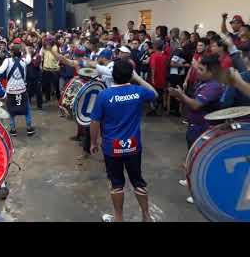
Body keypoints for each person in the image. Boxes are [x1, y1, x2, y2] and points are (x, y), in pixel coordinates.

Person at [89, 59, 158, 222]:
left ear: (112, 75)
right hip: (133, 146)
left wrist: (93, 142)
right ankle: (146, 217)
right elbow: (155, 94)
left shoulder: (104, 95)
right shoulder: (138, 91)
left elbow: (94, 122)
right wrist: (139, 79)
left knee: (116, 183)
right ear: (130, 75)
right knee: (138, 181)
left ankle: (119, 218)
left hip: (111, 148)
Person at [168, 54, 225, 204]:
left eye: (201, 69)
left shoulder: (214, 86)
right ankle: (191, 178)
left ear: (211, 71)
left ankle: (199, 192)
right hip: (195, 126)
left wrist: (181, 95)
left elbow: (196, 105)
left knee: (201, 161)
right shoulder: (203, 83)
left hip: (204, 128)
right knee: (192, 156)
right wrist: (180, 96)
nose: (197, 71)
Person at [0, 44, 35, 137]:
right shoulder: (24, 60)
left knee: (11, 110)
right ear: (20, 53)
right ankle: (29, 128)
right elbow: (29, 58)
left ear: (12, 52)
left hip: (11, 91)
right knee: (27, 109)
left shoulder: (7, 61)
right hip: (22, 90)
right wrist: (27, 50)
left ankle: (13, 129)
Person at [148, 40, 169, 116]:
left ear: (155, 46)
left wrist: (153, 78)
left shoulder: (153, 55)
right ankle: (160, 109)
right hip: (163, 78)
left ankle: (154, 110)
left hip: (156, 79)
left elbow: (153, 67)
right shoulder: (165, 56)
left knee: (154, 94)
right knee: (160, 93)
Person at [41, 36, 61, 103]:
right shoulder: (44, 47)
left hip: (54, 70)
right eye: (46, 41)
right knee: (46, 85)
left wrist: (50, 50)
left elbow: (57, 57)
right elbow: (42, 57)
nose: (47, 43)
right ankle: (47, 98)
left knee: (56, 85)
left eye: (48, 41)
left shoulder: (55, 47)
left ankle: (59, 99)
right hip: (46, 69)